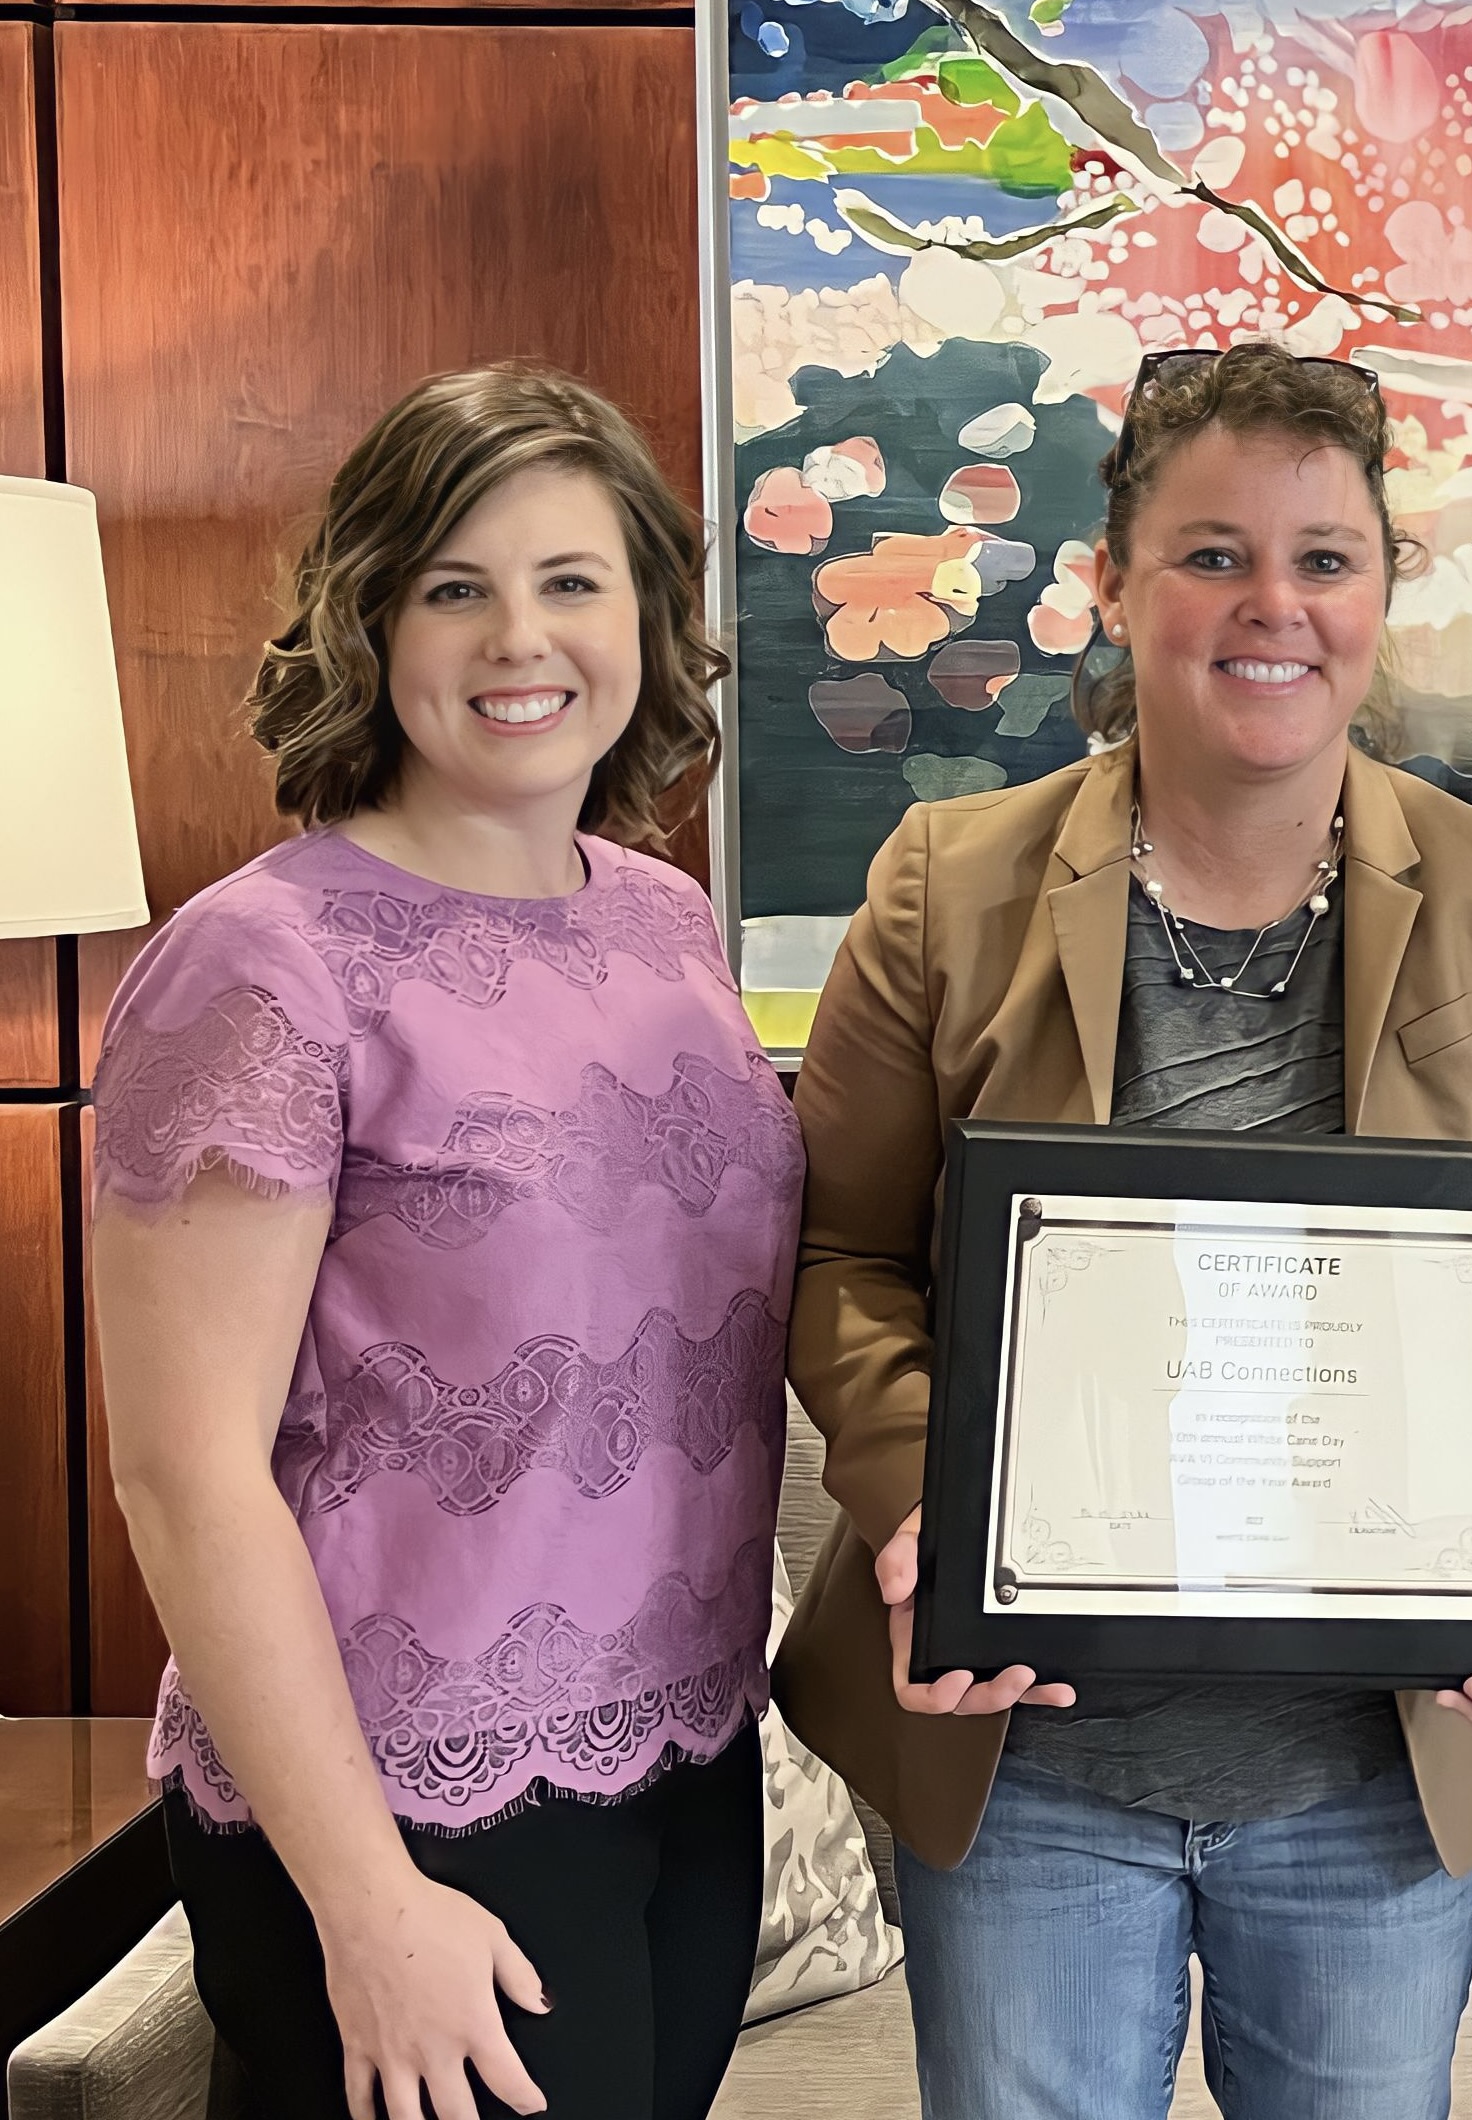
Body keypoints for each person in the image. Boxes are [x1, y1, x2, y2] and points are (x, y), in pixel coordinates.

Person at [768, 343, 1472, 2120]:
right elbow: (838, 1259)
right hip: (1025, 1763)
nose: (1274, 607)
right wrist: (921, 1490)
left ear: (1382, 587)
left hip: (1375, 1764)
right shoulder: (946, 883)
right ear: (1112, 580)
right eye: (1211, 553)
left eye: (1325, 558)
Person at [92, 364, 800, 2120]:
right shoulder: (260, 964)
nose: (520, 639)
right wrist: (365, 1899)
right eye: (455, 587)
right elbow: (184, 1479)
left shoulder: (663, 922)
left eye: (572, 582)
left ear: (647, 613)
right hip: (402, 1803)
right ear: (369, 617)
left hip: (686, 1757)